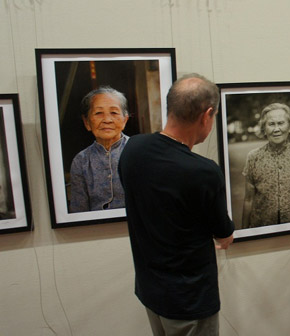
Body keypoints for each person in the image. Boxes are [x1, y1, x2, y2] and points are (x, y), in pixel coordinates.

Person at [118, 74, 235, 336]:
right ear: (207, 115)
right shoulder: (203, 171)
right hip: (189, 299)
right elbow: (224, 234)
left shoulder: (133, 148)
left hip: (151, 291)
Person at [241, 102, 290, 228]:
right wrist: (243, 232)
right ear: (264, 128)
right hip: (262, 226)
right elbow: (248, 199)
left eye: (281, 123)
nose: (276, 129)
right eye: (271, 124)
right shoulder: (253, 157)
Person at [69, 86, 129, 212]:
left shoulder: (140, 151)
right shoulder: (81, 161)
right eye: (98, 113)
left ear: (125, 120)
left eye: (114, 113)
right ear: (87, 123)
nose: (107, 120)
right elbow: (78, 211)